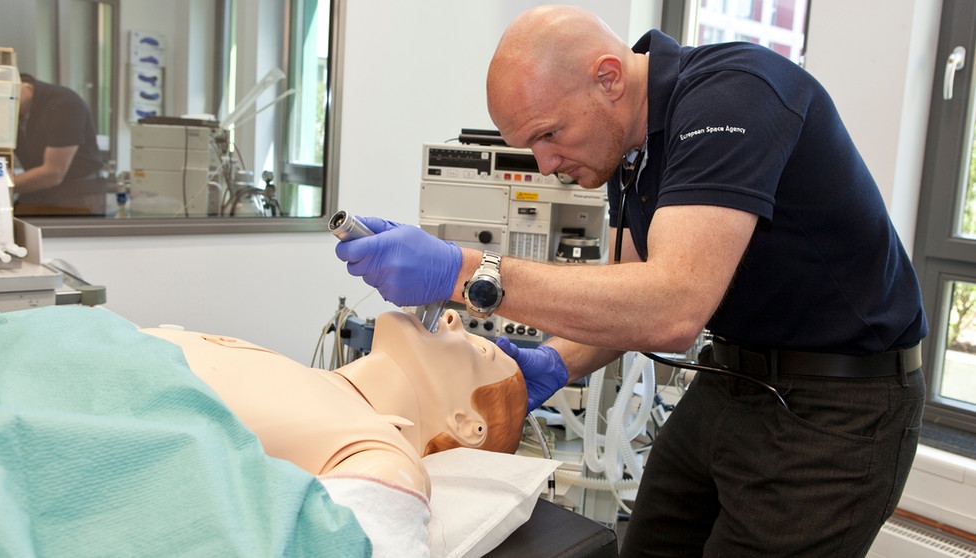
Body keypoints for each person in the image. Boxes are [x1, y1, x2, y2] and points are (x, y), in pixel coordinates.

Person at [334, 5, 927, 557]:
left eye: (548, 134)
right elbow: (629, 288)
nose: (545, 165)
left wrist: (463, 271)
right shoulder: (632, 148)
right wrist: (556, 363)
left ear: (609, 78)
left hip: (839, 403)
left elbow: (671, 309)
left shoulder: (736, 96)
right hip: (735, 381)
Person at [142, 308, 528, 498]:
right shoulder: (305, 376)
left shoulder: (381, 458)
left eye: (480, 352)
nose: (452, 318)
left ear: (466, 423)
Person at [13, 73, 107, 216]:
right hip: (38, 191)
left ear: (22, 84)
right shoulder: (13, 113)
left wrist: (0, 186)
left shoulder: (64, 104)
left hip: (76, 194)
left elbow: (53, 173)